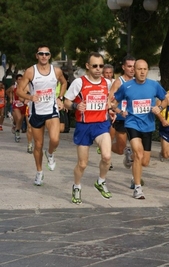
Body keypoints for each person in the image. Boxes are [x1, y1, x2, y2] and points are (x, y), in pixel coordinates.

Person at [110, 59, 167, 200]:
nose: (142, 72)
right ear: (134, 70)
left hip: (148, 126)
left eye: (145, 69)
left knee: (144, 161)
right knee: (139, 153)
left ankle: (132, 166)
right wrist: (119, 111)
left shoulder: (154, 85)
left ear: (147, 70)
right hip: (132, 124)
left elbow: (167, 99)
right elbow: (113, 103)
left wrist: (159, 107)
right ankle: (137, 188)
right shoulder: (126, 86)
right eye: (139, 69)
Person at [64, 52, 114, 204]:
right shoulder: (79, 83)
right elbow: (66, 101)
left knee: (106, 156)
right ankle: (77, 186)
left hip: (101, 124)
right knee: (83, 164)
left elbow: (113, 101)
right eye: (95, 66)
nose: (98, 69)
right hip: (84, 126)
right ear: (87, 66)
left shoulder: (108, 83)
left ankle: (101, 181)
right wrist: (75, 105)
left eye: (101, 66)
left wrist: (111, 106)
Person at [16, 45, 67, 186]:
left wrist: (60, 97)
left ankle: (50, 153)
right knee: (38, 145)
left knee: (55, 139)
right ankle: (39, 172)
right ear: (37, 55)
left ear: (50, 56)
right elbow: (19, 91)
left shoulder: (56, 71)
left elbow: (64, 82)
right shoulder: (30, 72)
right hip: (36, 112)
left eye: (46, 54)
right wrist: (30, 97)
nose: (44, 56)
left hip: (51, 110)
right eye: (41, 53)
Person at [107, 56, 140, 187]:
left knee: (137, 151)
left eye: (134, 66)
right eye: (129, 66)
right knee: (120, 149)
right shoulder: (119, 82)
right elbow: (110, 99)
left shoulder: (139, 81)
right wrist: (118, 110)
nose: (132, 69)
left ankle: (134, 179)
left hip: (136, 119)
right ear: (124, 67)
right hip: (121, 119)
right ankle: (107, 147)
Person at [8, 74, 27, 142]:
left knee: (20, 120)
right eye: (19, 79)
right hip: (16, 104)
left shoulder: (25, 87)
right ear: (16, 80)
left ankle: (17, 131)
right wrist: (11, 98)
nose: (20, 80)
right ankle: (17, 130)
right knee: (18, 118)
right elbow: (7, 91)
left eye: (21, 79)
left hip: (23, 104)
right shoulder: (13, 87)